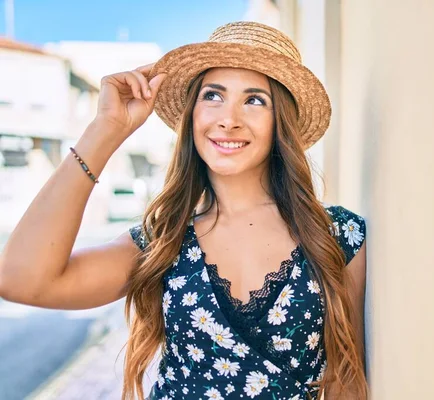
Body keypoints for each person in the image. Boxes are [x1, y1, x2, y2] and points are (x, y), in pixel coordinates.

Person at [0, 21, 367, 400]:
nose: (229, 118)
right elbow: (22, 280)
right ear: (192, 114)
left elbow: (347, 382)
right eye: (213, 96)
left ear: (280, 123)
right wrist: (105, 130)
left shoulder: (339, 236)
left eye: (255, 100)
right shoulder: (164, 241)